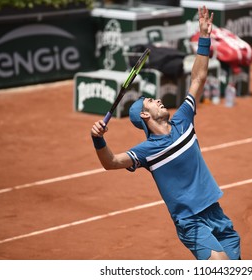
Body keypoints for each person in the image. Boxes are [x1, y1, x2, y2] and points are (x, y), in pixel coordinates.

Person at [91, 6, 241, 260]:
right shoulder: (147, 151)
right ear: (145, 116)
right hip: (190, 221)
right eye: (151, 101)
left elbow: (198, 78)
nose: (158, 100)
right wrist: (98, 139)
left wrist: (204, 37)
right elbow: (112, 162)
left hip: (215, 211)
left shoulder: (183, 120)